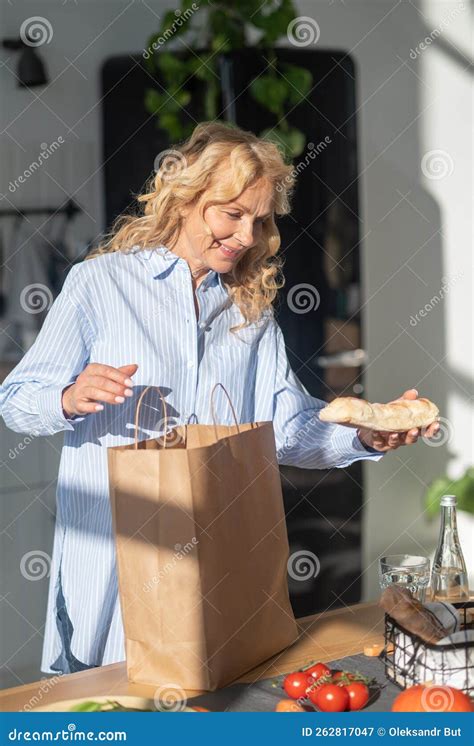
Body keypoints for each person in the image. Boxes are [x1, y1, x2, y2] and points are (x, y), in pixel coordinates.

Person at [0, 122, 439, 676]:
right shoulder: (100, 284)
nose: (247, 236)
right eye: (231, 214)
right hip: (112, 555)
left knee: (208, 707)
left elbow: (286, 428)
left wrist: (363, 436)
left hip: (216, 555)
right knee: (114, 707)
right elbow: (15, 399)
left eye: (259, 220)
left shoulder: (249, 310)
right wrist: (68, 396)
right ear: (185, 200)